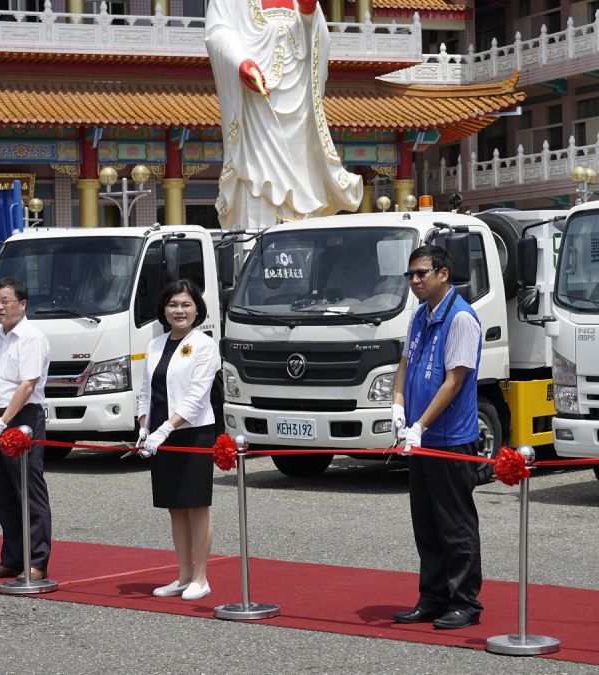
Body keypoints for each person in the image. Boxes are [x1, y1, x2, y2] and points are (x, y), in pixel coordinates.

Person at [389, 245, 483, 630]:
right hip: (420, 438)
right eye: (410, 275)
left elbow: (454, 381)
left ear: (443, 274)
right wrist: (397, 405)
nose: (414, 281)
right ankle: (432, 596)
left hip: (448, 438)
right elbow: (405, 365)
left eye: (421, 273)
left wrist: (421, 424)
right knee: (425, 523)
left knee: (455, 525)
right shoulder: (419, 316)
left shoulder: (461, 318)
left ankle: (465, 601)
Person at [204, 0, 362, 229]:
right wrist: (240, 62)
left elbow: (319, 39)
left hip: (299, 110)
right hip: (256, 108)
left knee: (304, 181)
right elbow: (218, 31)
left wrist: (308, 15)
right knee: (257, 181)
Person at [136, 279, 222, 601]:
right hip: (160, 434)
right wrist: (144, 427)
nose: (179, 310)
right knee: (175, 507)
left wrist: (165, 429)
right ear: (164, 309)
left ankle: (202, 577)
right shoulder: (156, 344)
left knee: (196, 505)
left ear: (197, 308)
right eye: (173, 304)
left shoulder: (204, 344)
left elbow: (197, 397)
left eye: (186, 304)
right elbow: (147, 391)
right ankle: (184, 575)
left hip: (192, 433)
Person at [0, 277, 53, 581]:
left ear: (23, 303)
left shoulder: (31, 337)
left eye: (6, 301)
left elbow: (27, 385)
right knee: (2, 494)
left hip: (21, 419)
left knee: (27, 492)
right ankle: (12, 558)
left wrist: (3, 422)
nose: (0, 307)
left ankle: (38, 561)